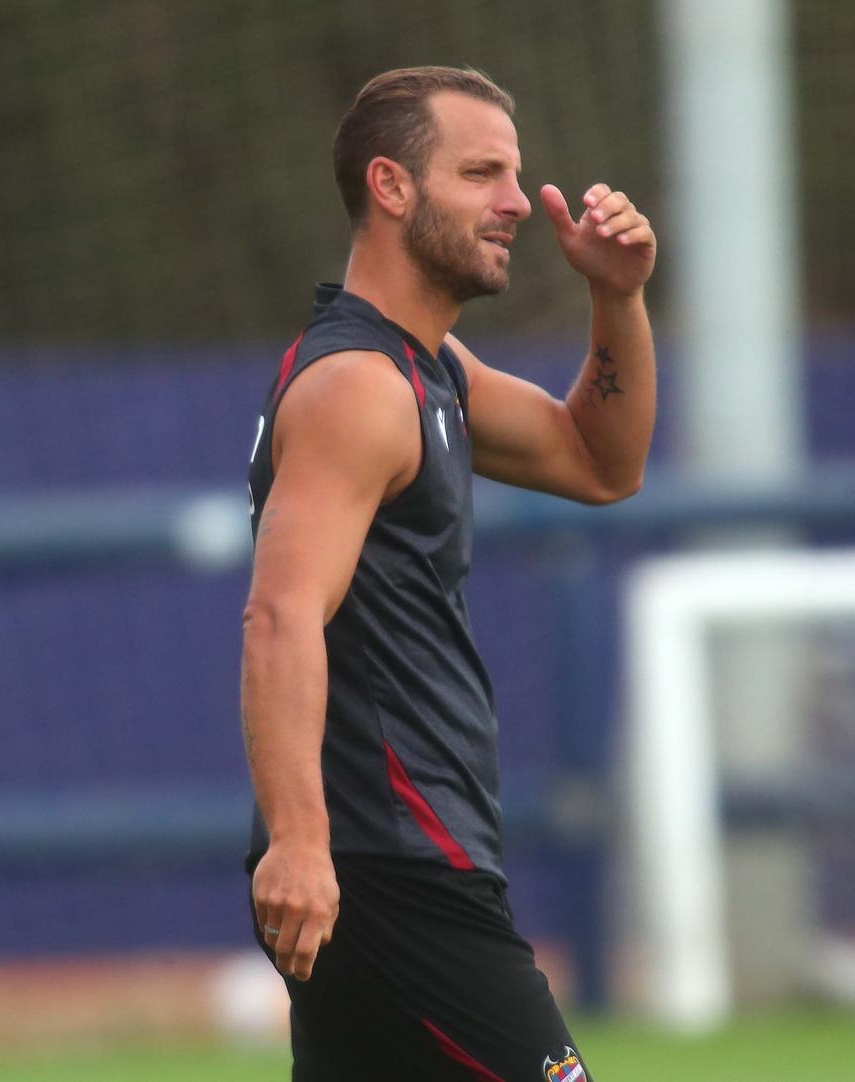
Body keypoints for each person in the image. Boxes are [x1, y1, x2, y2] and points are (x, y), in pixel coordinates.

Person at [241, 66, 654, 1079]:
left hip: (402, 854)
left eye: (513, 173)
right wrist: (298, 841)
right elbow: (279, 615)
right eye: (480, 172)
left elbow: (597, 461)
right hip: (391, 863)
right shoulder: (358, 388)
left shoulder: (431, 369)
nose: (516, 200)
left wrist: (615, 296)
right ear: (389, 185)